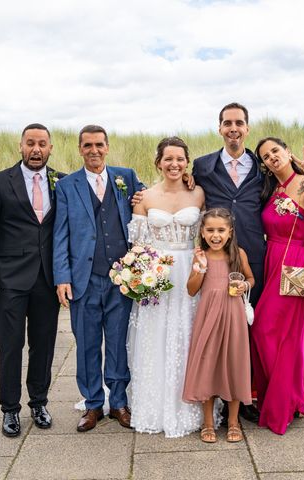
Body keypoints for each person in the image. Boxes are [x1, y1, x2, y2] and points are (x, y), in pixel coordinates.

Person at [0, 123, 63, 437]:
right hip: (9, 279)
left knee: (44, 346)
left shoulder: (61, 182)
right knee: (9, 346)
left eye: (42, 144)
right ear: (21, 146)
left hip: (48, 279)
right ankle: (10, 410)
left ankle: (39, 403)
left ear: (50, 148)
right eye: (30, 143)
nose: (36, 150)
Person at [53, 124, 145, 432]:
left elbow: (151, 199)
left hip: (121, 279)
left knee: (118, 342)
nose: (94, 150)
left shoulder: (126, 177)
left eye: (99, 145)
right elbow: (60, 234)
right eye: (88, 145)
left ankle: (118, 401)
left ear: (107, 147)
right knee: (87, 343)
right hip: (84, 278)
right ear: (80, 149)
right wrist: (62, 277)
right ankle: (93, 405)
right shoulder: (67, 185)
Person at [250, 137, 304, 435]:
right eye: (266, 156)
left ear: (286, 152)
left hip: (296, 261)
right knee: (270, 332)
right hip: (270, 258)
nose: (272, 157)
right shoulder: (270, 188)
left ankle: (282, 401)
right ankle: (288, 397)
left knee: (272, 330)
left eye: (275, 151)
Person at [126, 136, 206, 437]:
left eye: (180, 159)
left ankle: (190, 403)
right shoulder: (145, 197)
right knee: (155, 336)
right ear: (158, 162)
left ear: (187, 162)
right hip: (156, 271)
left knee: (188, 334)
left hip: (190, 270)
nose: (174, 164)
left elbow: (207, 233)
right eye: (168, 159)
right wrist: (141, 278)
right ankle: (152, 405)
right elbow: (138, 246)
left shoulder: (199, 193)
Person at [191, 102, 264, 423]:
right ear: (219, 128)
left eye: (239, 123)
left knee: (247, 328)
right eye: (227, 123)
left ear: (247, 128)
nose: (233, 128)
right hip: (216, 256)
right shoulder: (203, 166)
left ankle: (245, 395)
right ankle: (214, 393)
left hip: (252, 257)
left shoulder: (263, 166)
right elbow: (181, 189)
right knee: (214, 330)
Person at [183, 208, 255, 444]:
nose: (216, 235)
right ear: (202, 232)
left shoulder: (238, 254)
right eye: (210, 230)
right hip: (208, 316)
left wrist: (244, 285)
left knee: (234, 363)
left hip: (233, 316)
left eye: (221, 230)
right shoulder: (200, 255)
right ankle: (208, 423)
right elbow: (192, 289)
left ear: (230, 232)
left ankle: (233, 422)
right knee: (208, 363)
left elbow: (250, 278)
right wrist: (200, 268)